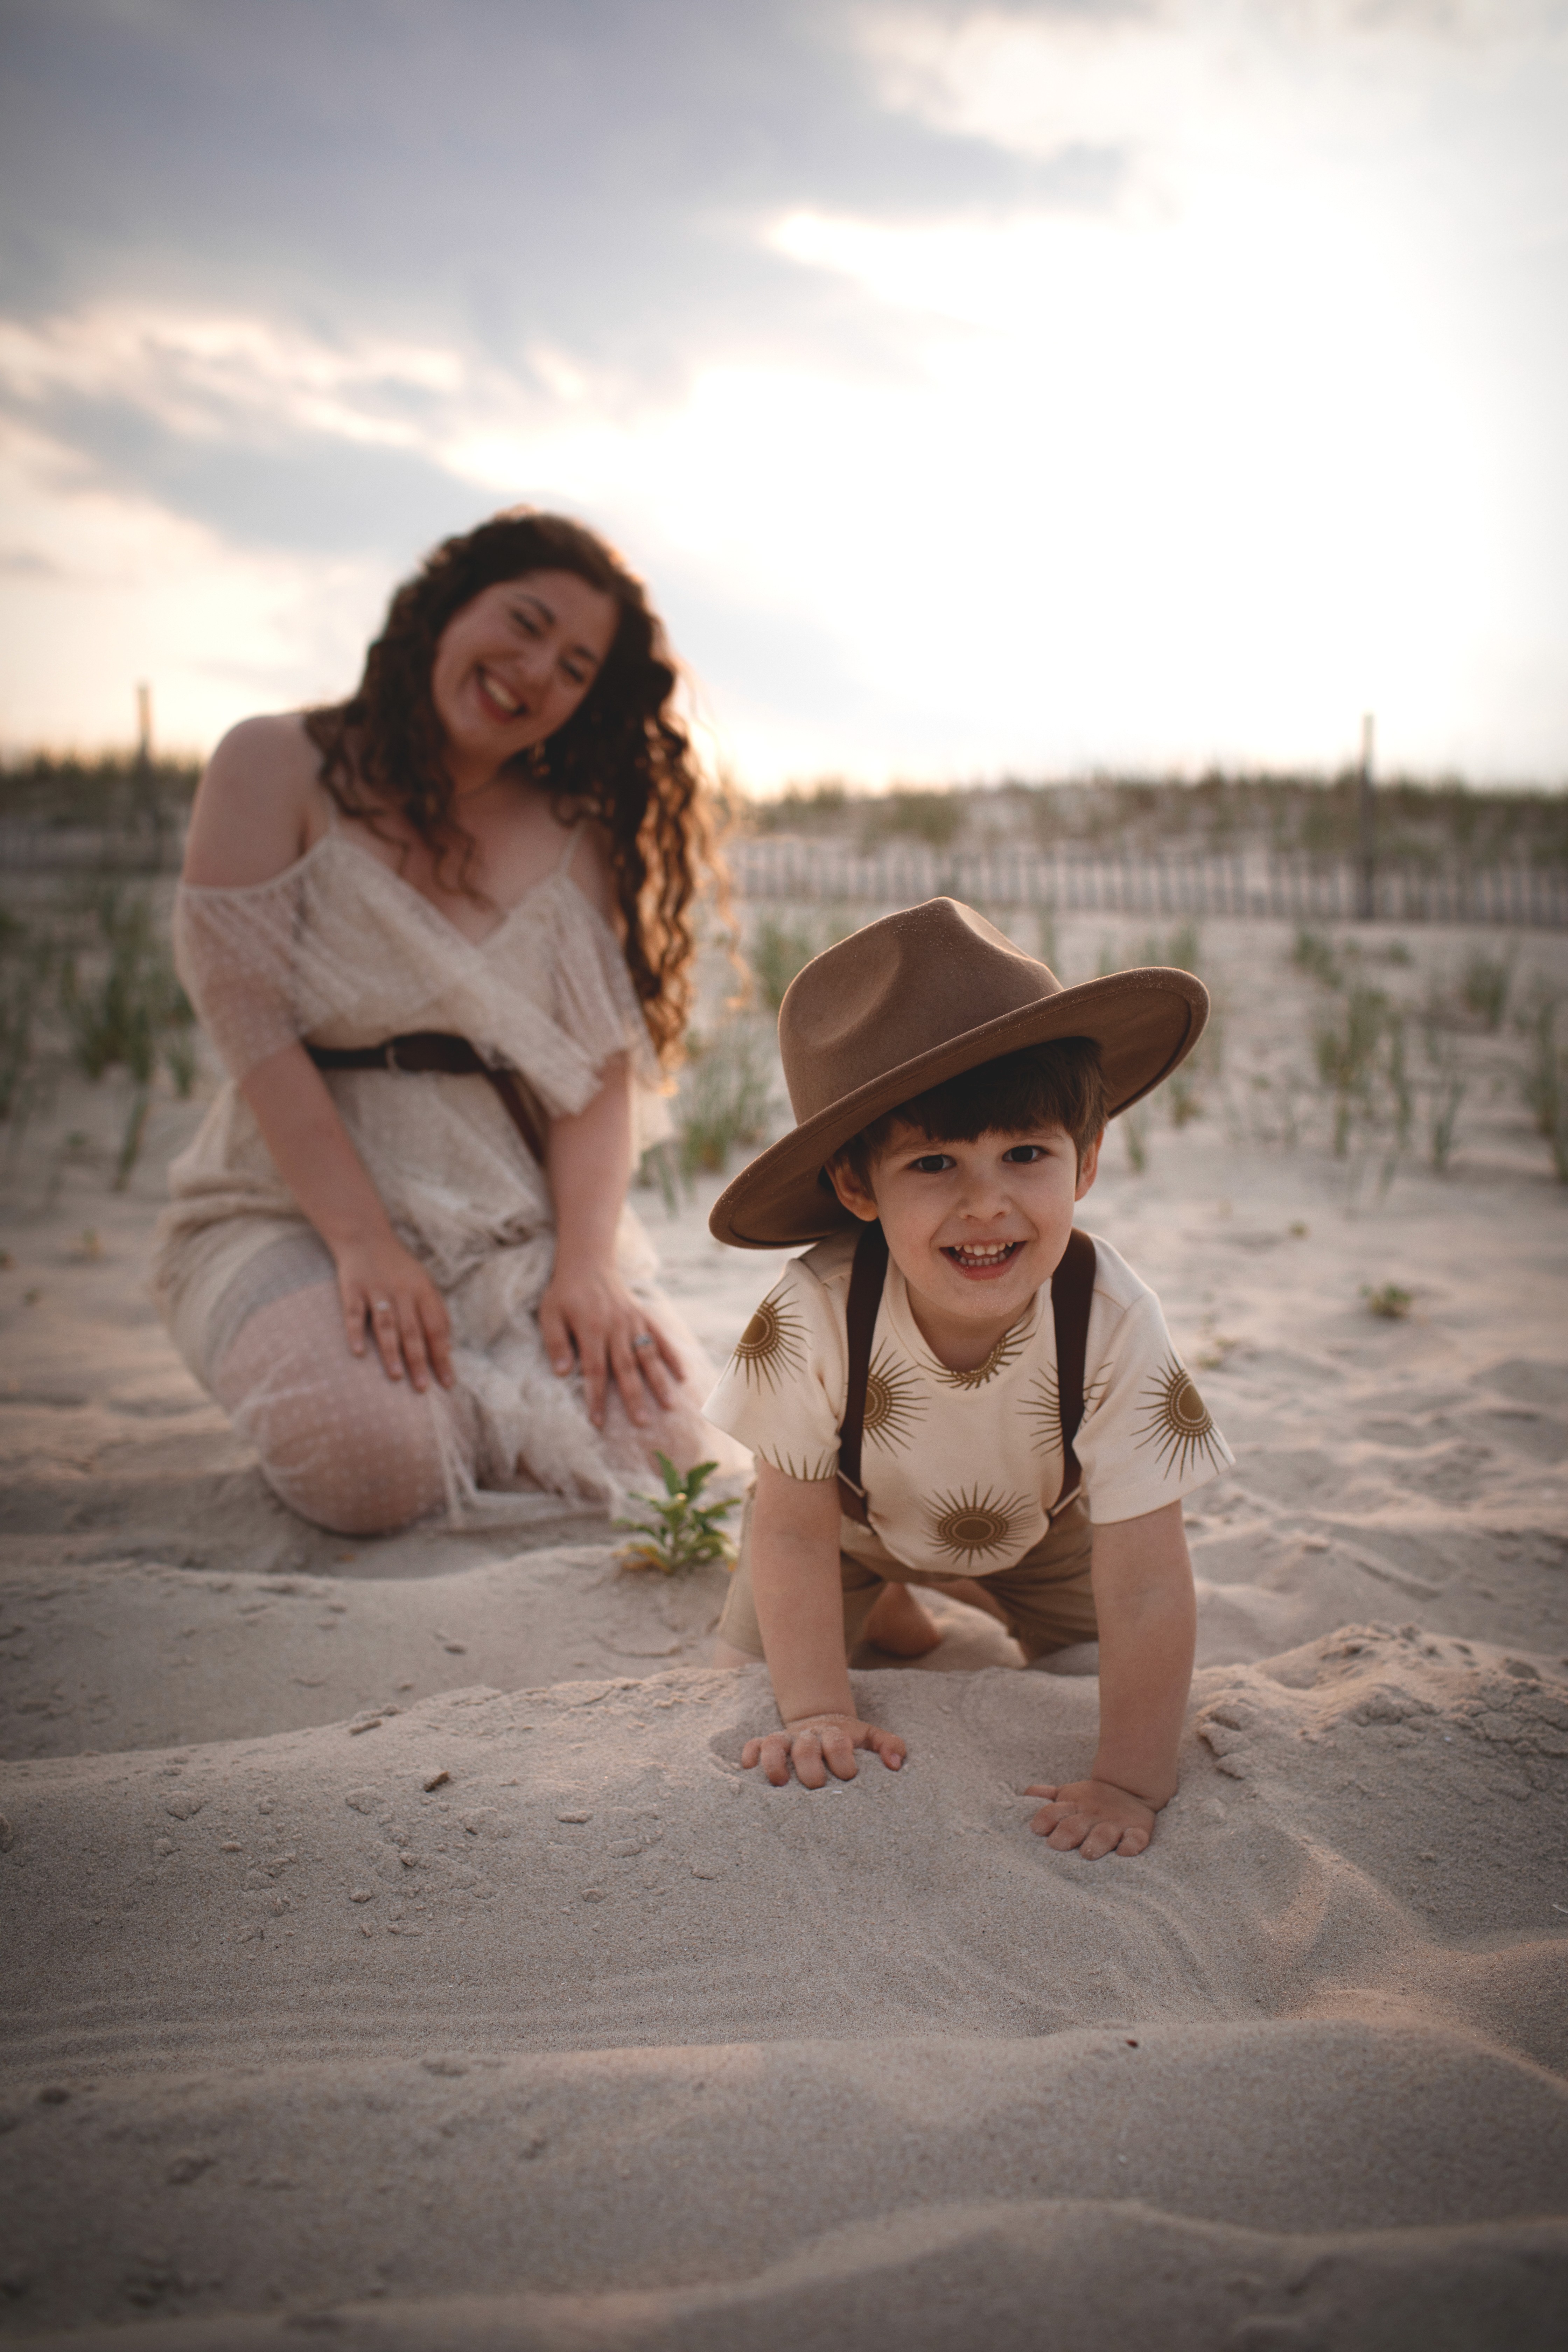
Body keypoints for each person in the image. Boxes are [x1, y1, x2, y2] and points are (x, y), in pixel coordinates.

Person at [152, 507, 737, 1536]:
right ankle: (407, 1403)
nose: (534, 670)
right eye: (522, 621)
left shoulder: (575, 833)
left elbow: (598, 1080)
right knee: (375, 1464)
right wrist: (364, 1243)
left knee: (671, 1442)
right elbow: (252, 1029)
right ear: (446, 604)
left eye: (573, 667)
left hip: (511, 1219)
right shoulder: (273, 763)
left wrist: (587, 1269)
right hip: (288, 1207)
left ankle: (466, 1404)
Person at [701, 897, 1233, 1860]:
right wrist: (820, 1707)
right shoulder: (814, 1307)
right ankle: (895, 1597)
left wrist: (1127, 1780)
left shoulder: (1111, 1316)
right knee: (736, 1686)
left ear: (1087, 1161)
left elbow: (1150, 1579)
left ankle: (961, 1592)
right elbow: (784, 1529)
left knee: (1101, 1672)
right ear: (859, 1187)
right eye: (935, 1163)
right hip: (847, 1535)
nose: (985, 1204)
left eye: (1026, 1154)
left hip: (1048, 1538)